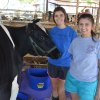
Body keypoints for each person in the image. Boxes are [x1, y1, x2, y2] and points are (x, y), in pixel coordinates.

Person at [65, 13, 100, 100]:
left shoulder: (97, 43)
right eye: (81, 24)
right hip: (72, 78)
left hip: (88, 83)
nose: (83, 27)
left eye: (87, 24)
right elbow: (73, 59)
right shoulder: (75, 41)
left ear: (92, 26)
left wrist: (98, 93)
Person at [48, 6, 77, 100]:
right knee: (54, 88)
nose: (58, 18)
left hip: (66, 65)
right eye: (56, 16)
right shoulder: (51, 32)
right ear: (54, 18)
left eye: (61, 15)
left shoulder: (71, 32)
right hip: (52, 64)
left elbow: (75, 50)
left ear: (65, 16)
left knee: (61, 89)